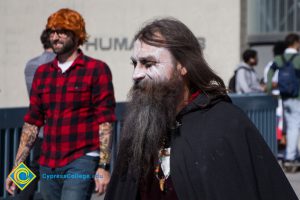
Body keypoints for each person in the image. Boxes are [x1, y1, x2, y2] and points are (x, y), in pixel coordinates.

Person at [105, 18, 297, 200]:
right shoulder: (139, 125)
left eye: (148, 63)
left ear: (183, 66)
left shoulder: (224, 123)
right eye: (135, 63)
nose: (136, 74)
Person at [6, 8, 116, 200]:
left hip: (82, 157)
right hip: (48, 159)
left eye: (61, 32)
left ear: (76, 34)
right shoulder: (42, 72)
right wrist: (17, 169)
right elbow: (32, 122)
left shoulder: (96, 69)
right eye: (52, 32)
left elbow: (105, 120)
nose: (55, 37)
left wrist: (104, 166)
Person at [13, 29, 55, 200]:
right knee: (42, 167)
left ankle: (17, 191)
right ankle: (21, 196)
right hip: (54, 127)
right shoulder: (57, 65)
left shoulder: (31, 64)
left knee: (33, 164)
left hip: (37, 125)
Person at [267, 33, 300, 167]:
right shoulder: (298, 58)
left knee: (290, 125)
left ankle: (291, 155)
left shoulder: (279, 58)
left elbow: (270, 71)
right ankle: (290, 158)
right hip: (297, 97)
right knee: (293, 127)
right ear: (296, 43)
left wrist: (269, 87)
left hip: (285, 97)